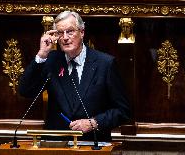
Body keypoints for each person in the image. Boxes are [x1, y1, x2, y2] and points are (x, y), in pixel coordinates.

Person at [18, 11, 130, 141]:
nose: (65, 37)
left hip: (91, 144)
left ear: (82, 32)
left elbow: (123, 111)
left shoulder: (105, 64)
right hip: (56, 144)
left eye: (70, 31)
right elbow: (25, 91)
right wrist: (42, 55)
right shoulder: (51, 61)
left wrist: (93, 123)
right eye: (60, 33)